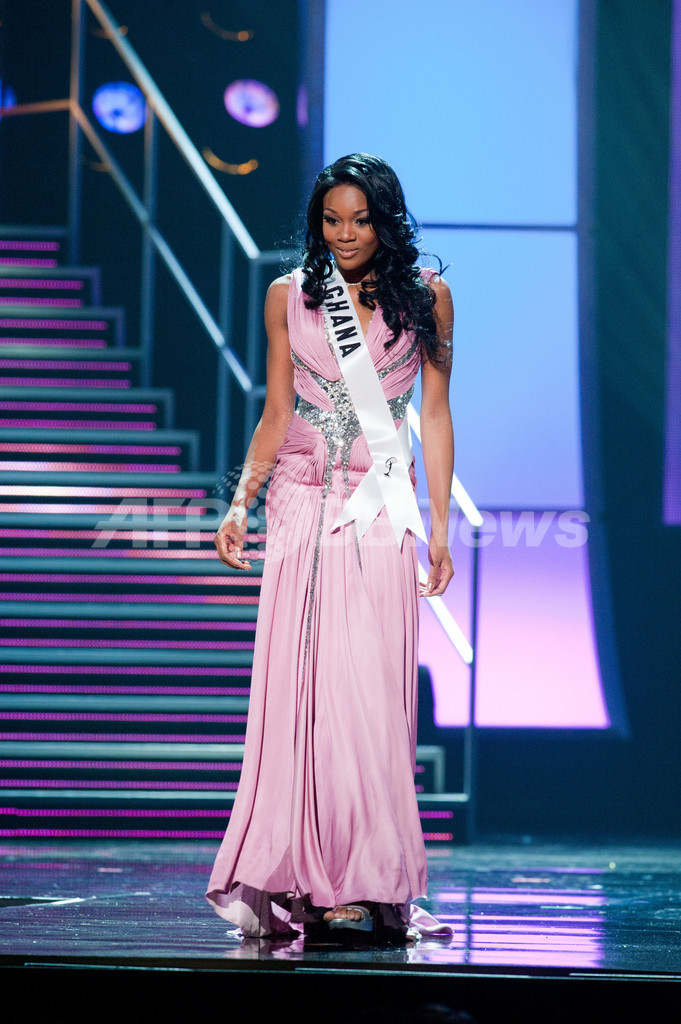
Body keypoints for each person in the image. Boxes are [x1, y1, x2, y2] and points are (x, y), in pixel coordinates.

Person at [206, 153, 455, 943]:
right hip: (301, 501)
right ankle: (311, 883)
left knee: (366, 697)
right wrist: (240, 502)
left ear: (386, 221)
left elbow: (435, 414)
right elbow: (276, 410)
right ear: (317, 222)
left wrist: (439, 526)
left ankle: (368, 877)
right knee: (303, 696)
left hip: (377, 502)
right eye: (331, 219)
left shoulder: (428, 298)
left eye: (361, 219)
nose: (345, 234)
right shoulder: (289, 295)